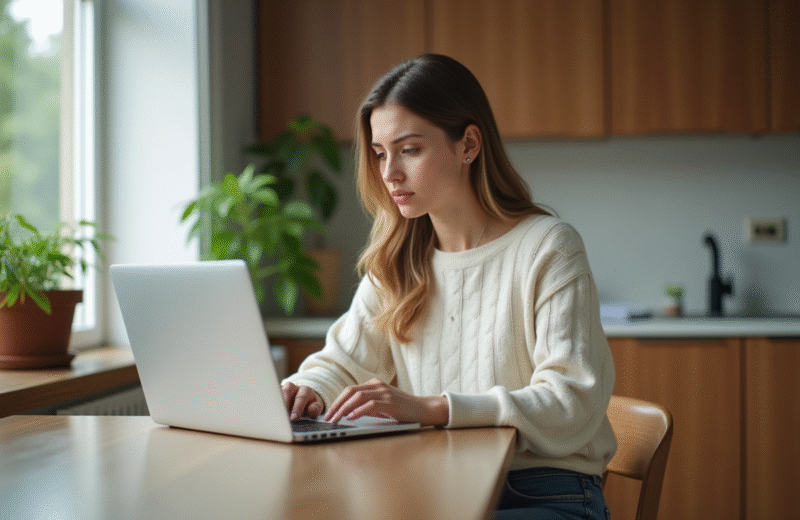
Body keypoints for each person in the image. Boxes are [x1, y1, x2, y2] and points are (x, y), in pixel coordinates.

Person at [281, 54, 616, 520]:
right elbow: (342, 363)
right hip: (437, 488)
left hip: (544, 490)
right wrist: (306, 390)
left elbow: (571, 399)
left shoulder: (548, 247)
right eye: (380, 153)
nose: (389, 173)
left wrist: (433, 408)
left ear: (469, 145)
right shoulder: (397, 258)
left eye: (409, 149)